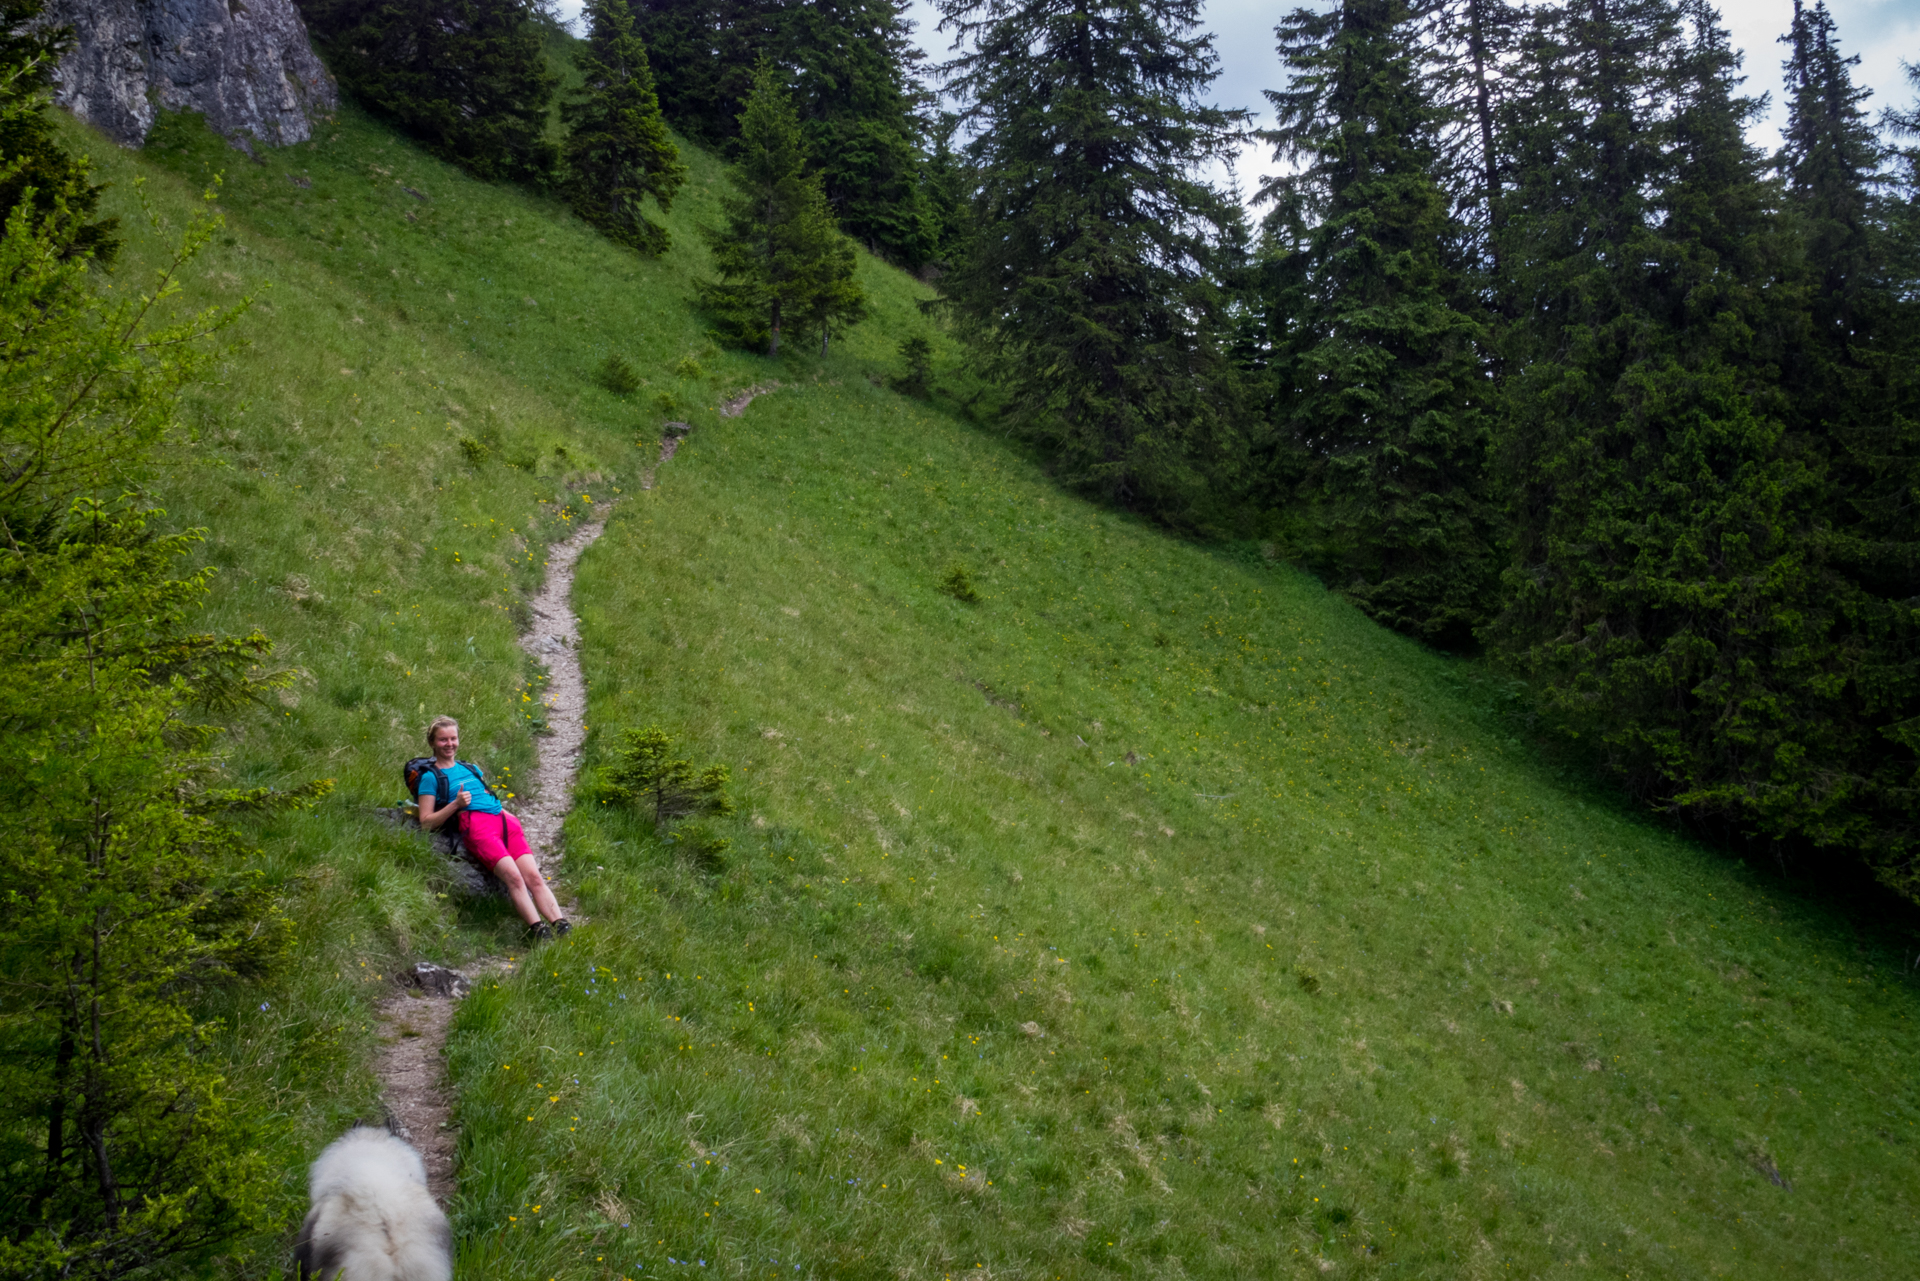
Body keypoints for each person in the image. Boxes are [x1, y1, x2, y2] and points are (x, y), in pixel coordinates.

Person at [416, 715, 571, 942]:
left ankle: (562, 926)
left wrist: (508, 815)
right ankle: (538, 931)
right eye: (443, 740)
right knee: (515, 879)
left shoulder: (471, 768)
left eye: (453, 738)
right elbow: (426, 821)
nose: (449, 744)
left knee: (534, 878)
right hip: (478, 828)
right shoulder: (430, 778)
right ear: (432, 743)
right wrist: (456, 805)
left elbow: (486, 795)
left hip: (505, 822)